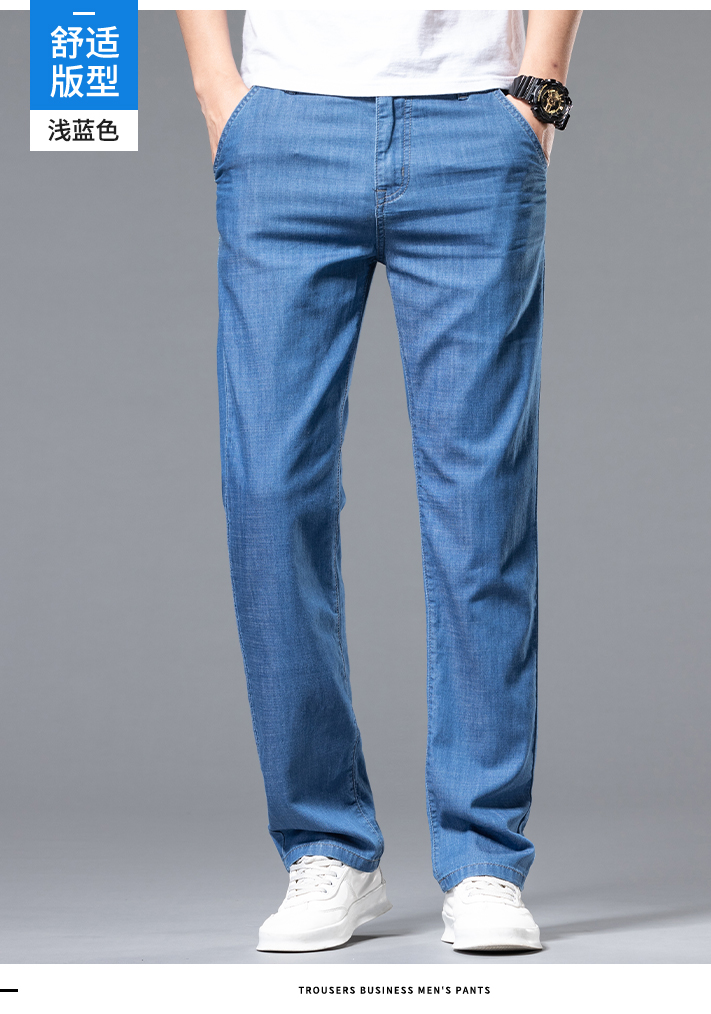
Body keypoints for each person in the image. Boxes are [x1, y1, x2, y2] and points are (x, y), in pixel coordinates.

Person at [176, 9, 582, 953]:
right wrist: (216, 91)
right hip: (285, 124)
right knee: (269, 494)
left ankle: (484, 858)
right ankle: (327, 847)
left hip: (474, 117)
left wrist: (541, 92)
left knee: (482, 503)